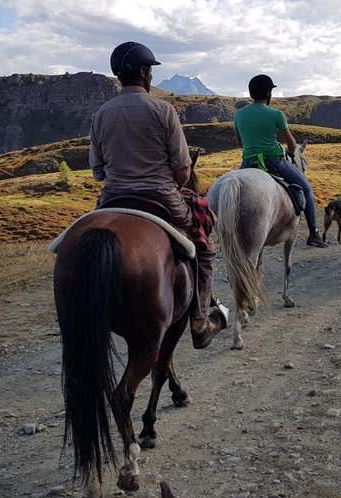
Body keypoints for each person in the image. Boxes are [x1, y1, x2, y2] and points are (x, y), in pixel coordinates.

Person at [89, 41, 225, 346]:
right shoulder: (163, 110)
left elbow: (98, 171)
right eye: (150, 70)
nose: (151, 75)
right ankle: (200, 321)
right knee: (203, 247)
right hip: (162, 198)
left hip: (112, 199)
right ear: (143, 72)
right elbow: (183, 171)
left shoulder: (101, 114)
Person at [233, 74, 328, 248]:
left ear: (251, 93)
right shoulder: (276, 114)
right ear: (269, 93)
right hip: (274, 160)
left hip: (248, 162)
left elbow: (239, 142)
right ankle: (313, 233)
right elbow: (291, 144)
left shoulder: (239, 115)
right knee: (306, 188)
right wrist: (290, 153)